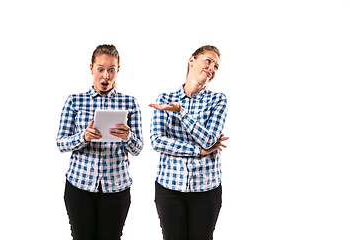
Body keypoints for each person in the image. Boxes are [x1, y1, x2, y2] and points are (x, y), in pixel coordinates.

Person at [56, 44, 143, 240]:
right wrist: (83, 137)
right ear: (91, 68)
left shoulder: (129, 103)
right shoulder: (74, 101)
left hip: (116, 188)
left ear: (118, 70)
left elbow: (138, 149)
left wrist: (127, 136)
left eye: (111, 70)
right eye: (101, 69)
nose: (106, 76)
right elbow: (61, 143)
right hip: (79, 187)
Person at [149, 45, 228, 240]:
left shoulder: (218, 100)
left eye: (216, 66)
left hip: (206, 190)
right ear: (192, 60)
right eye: (208, 61)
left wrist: (181, 112)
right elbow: (157, 141)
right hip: (169, 188)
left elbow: (209, 139)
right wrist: (198, 150)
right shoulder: (165, 99)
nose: (212, 68)